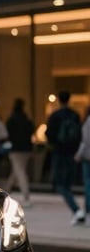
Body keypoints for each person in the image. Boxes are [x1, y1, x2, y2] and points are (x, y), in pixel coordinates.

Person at [45, 90, 83, 225]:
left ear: (59, 100)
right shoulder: (75, 115)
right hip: (72, 152)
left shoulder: (55, 115)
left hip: (59, 151)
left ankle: (76, 209)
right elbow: (80, 134)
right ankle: (78, 209)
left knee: (60, 184)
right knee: (67, 182)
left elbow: (49, 133)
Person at [3, 98, 35, 207]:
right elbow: (32, 130)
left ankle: (26, 195)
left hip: (16, 149)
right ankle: (5, 192)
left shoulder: (11, 120)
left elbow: (7, 134)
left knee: (19, 171)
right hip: (26, 149)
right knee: (17, 171)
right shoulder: (27, 120)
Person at [74, 107, 90, 227]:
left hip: (88, 157)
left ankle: (88, 209)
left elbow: (85, 142)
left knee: (88, 183)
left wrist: (78, 155)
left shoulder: (87, 123)